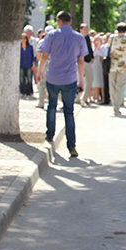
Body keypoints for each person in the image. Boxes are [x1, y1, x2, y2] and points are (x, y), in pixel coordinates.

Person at [36, 10, 86, 157]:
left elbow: (44, 56)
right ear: (70, 21)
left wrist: (39, 72)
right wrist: (81, 81)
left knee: (51, 106)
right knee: (68, 112)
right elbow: (81, 62)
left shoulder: (51, 35)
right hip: (70, 79)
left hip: (52, 77)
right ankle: (71, 146)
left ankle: (50, 135)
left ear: (58, 20)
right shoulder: (79, 37)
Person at [108, 22, 126, 116]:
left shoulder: (112, 38)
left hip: (112, 65)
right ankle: (116, 107)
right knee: (120, 87)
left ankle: (113, 103)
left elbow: (108, 48)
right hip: (123, 66)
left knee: (112, 86)